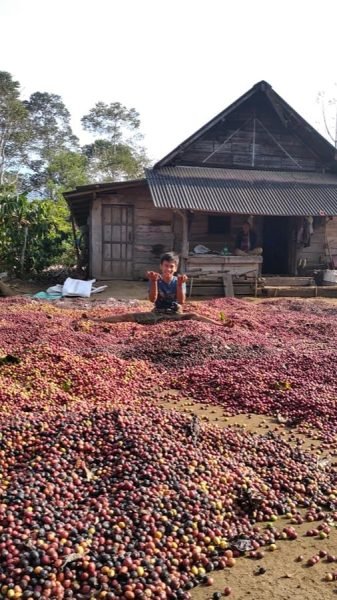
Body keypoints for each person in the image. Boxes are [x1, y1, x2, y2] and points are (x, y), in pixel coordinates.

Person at [75, 252, 226, 327]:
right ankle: (96, 320)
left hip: (175, 314)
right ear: (161, 266)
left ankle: (220, 325)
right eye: (166, 266)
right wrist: (153, 282)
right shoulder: (156, 278)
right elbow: (152, 300)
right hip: (157, 314)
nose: (168, 269)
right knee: (128, 316)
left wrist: (180, 285)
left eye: (171, 266)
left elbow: (181, 301)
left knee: (194, 315)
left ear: (176, 268)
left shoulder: (179, 280)